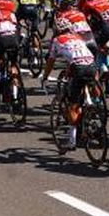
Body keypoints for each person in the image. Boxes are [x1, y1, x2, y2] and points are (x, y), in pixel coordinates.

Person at [42, 17, 98, 151]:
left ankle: (72, 141)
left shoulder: (57, 40)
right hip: (92, 64)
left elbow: (51, 61)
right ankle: (94, 102)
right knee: (90, 83)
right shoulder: (78, 37)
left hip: (78, 68)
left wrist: (45, 77)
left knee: (72, 106)